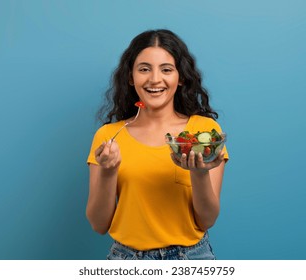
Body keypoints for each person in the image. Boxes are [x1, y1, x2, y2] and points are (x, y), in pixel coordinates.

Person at [86, 29, 229, 260]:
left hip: (191, 259)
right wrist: (108, 171)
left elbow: (207, 220)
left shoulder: (204, 132)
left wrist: (199, 173)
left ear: (180, 77)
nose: (154, 79)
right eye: (144, 69)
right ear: (131, 77)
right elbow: (98, 224)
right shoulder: (109, 137)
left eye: (166, 69)